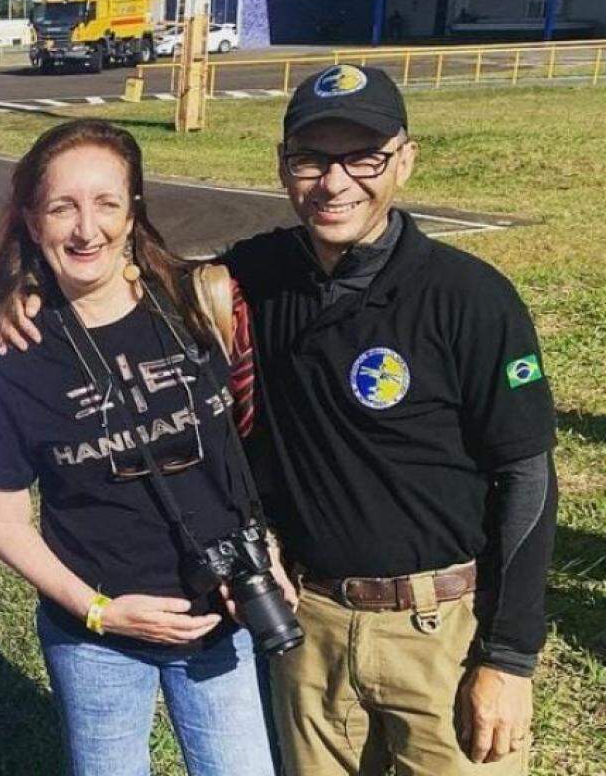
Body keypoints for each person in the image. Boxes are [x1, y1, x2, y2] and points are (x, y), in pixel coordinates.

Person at [220, 64, 558, 774]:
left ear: (405, 160)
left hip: (441, 636)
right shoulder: (259, 277)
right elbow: (142, 289)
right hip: (310, 632)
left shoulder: (469, 297)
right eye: (312, 158)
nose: (335, 182)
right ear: (283, 168)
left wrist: (510, 660)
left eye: (363, 156)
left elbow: (527, 475)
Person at [0, 118, 292, 776]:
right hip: (98, 638)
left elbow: (236, 453)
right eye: (63, 207)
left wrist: (268, 556)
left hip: (220, 613)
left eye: (107, 203)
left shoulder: (197, 302)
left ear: (133, 211)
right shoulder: (18, 349)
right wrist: (100, 612)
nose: (87, 230)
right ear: (31, 222)